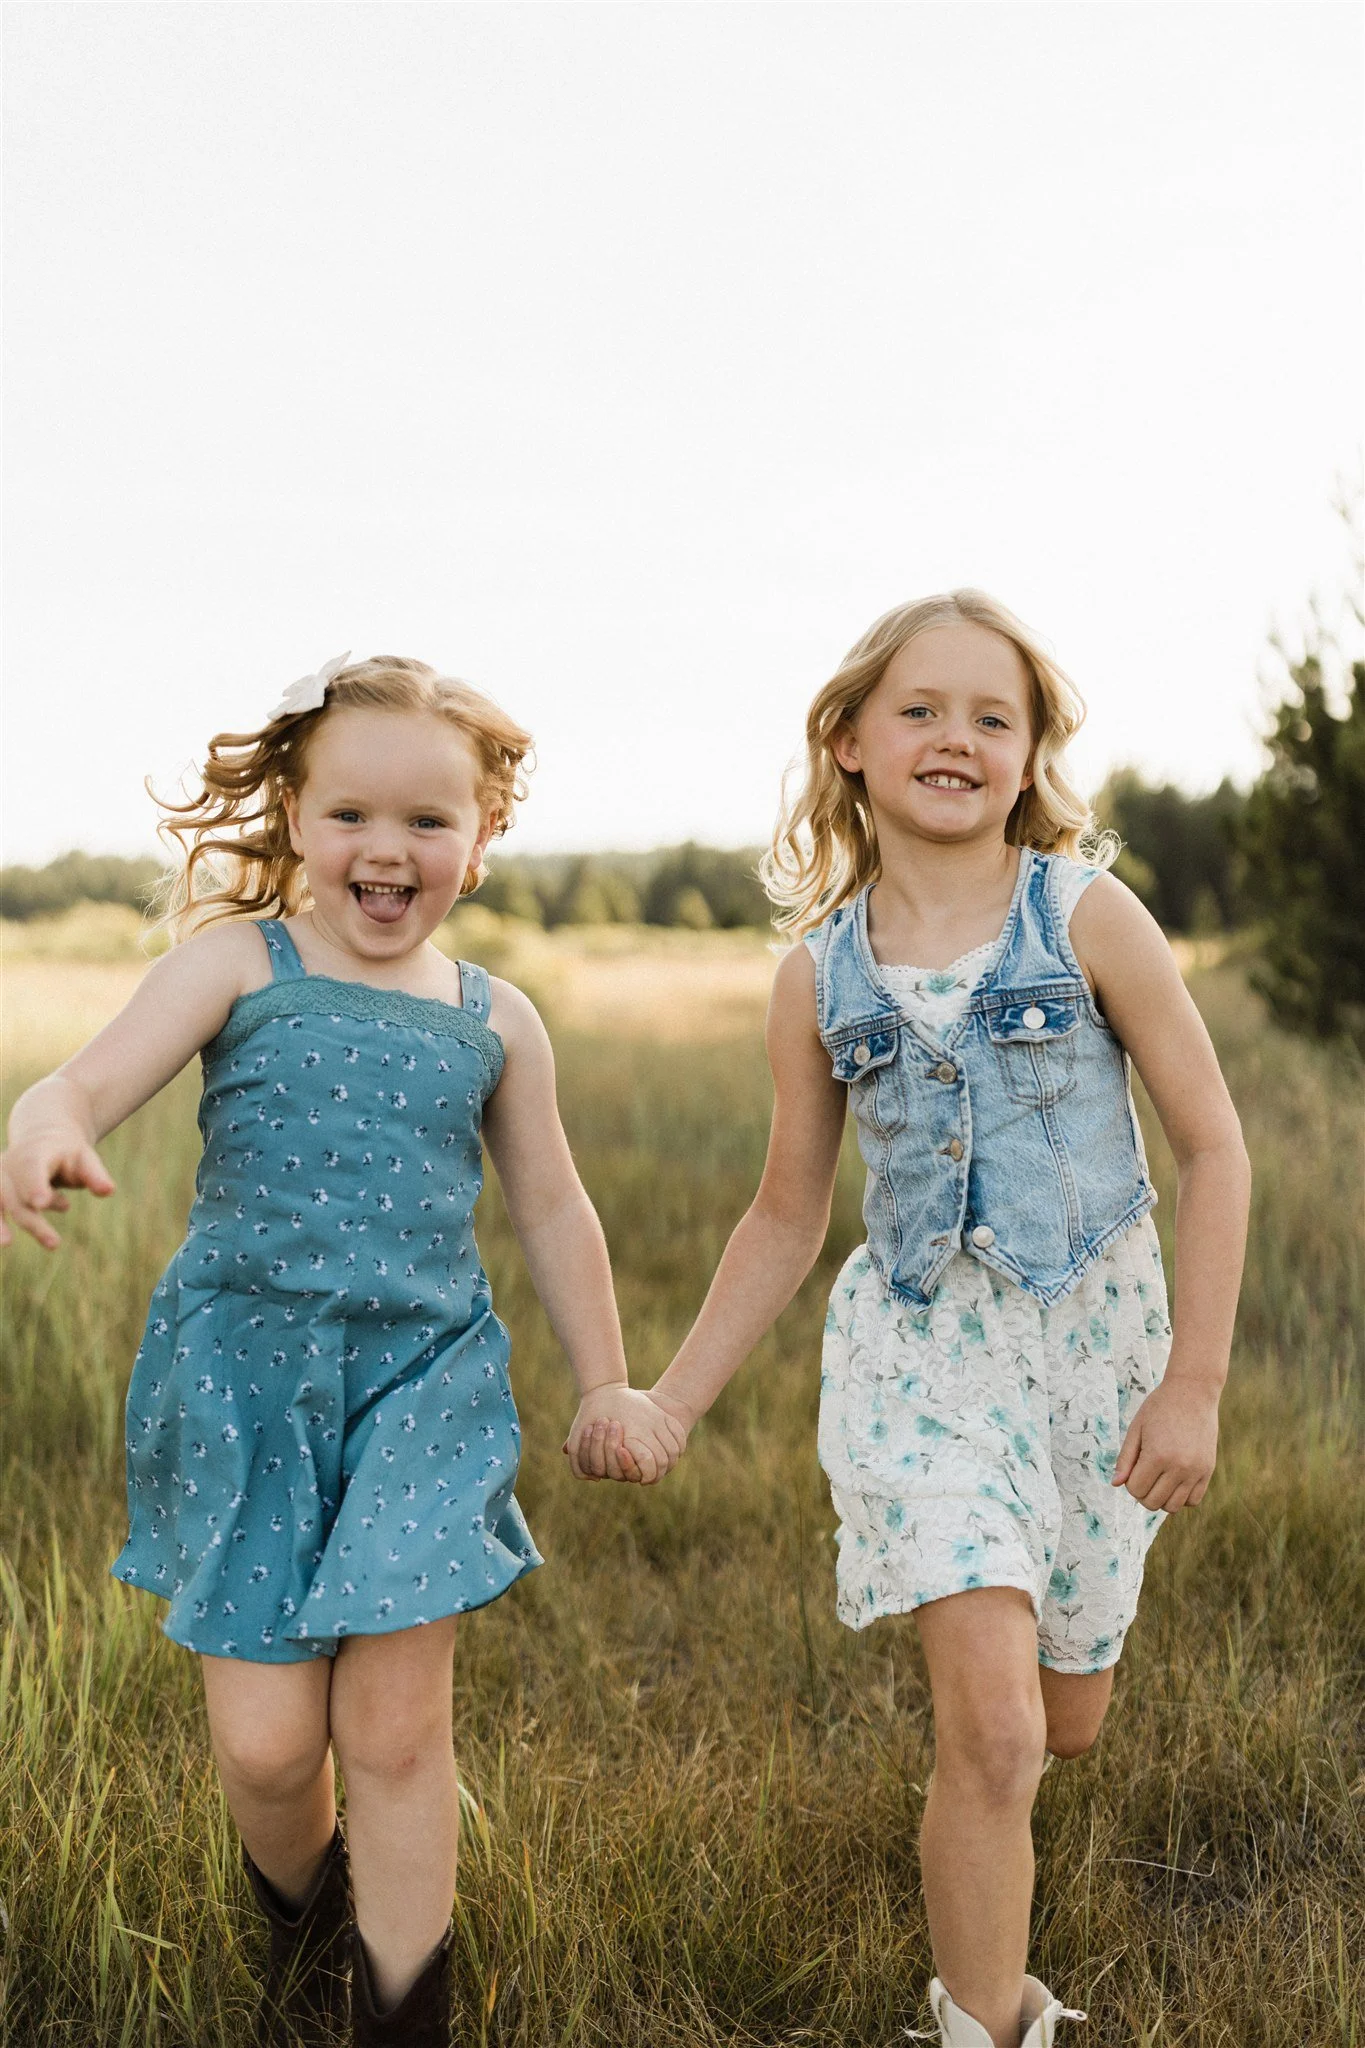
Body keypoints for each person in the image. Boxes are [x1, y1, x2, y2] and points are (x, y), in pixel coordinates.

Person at [0, 653, 684, 2048]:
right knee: (266, 1750)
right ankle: (309, 1937)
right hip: (242, 1386)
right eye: (353, 815)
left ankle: (403, 2009)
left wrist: (607, 1377)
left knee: (393, 1732)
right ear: (297, 821)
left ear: (478, 842)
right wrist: (47, 1126)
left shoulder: (495, 1019)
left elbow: (553, 1204)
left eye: (428, 820)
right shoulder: (237, 965)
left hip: (424, 1388)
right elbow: (84, 1080)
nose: (388, 848)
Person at [607, 592, 1251, 2048]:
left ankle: (1005, 1801)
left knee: (1064, 1720)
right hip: (924, 1370)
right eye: (920, 709)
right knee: (999, 1735)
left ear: (1029, 757)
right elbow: (786, 1213)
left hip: (1098, 1363)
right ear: (848, 739)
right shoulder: (816, 975)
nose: (955, 738)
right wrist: (673, 1398)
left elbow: (1214, 1148)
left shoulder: (1087, 916)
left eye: (990, 717)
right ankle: (985, 2022)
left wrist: (1196, 1385)